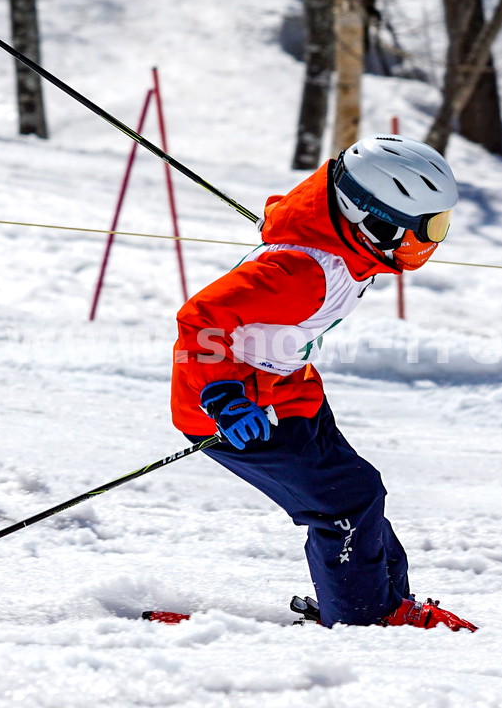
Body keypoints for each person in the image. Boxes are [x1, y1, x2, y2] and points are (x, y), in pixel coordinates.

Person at [166, 135, 476, 632]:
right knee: (343, 502)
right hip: (235, 411)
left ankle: (388, 603)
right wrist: (223, 396)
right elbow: (202, 317)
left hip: (289, 389)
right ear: (374, 220)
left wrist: (296, 228)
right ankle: (361, 620)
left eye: (443, 224)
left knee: (360, 494)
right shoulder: (299, 272)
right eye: (430, 227)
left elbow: (313, 224)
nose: (435, 241)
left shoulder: (346, 242)